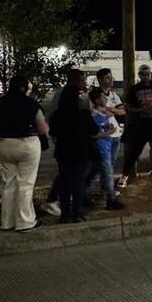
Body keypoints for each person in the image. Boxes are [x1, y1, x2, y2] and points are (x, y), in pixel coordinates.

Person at [0, 75, 48, 232]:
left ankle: (7, 222)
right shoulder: (31, 104)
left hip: (4, 143)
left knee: (9, 183)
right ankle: (25, 222)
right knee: (25, 184)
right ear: (26, 88)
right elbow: (42, 128)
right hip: (27, 143)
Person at [50, 84, 101, 222]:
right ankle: (77, 213)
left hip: (63, 152)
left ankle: (65, 215)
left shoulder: (58, 114)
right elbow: (95, 131)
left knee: (65, 184)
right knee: (78, 184)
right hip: (81, 152)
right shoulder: (83, 114)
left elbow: (52, 132)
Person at [43, 68, 88, 218]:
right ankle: (74, 211)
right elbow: (88, 126)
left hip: (64, 145)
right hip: (76, 146)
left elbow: (53, 125)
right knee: (75, 180)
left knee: (67, 176)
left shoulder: (62, 102)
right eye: (82, 80)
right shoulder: (77, 102)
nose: (84, 83)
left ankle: (66, 212)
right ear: (75, 80)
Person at [88, 86, 125, 211]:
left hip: (106, 145)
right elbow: (93, 134)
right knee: (108, 172)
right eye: (103, 97)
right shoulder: (94, 115)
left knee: (94, 171)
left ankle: (82, 193)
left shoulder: (102, 112)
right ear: (97, 100)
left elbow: (120, 112)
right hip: (102, 147)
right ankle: (111, 199)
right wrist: (109, 132)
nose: (106, 99)